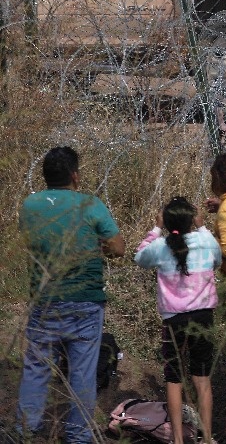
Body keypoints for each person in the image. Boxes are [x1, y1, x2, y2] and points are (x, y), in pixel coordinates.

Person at [17, 146, 126, 443]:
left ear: (45, 176)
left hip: (45, 301)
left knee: (37, 368)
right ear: (75, 176)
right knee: (82, 373)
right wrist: (96, 246)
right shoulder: (90, 204)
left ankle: (26, 429)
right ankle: (77, 436)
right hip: (85, 303)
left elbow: (31, 242)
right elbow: (118, 247)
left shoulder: (30, 205)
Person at [135, 197, 221, 444]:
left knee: (174, 379)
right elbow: (217, 260)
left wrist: (155, 229)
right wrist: (203, 227)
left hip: (173, 320)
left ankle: (178, 440)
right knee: (202, 378)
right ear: (192, 219)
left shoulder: (161, 246)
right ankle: (206, 438)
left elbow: (139, 257)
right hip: (203, 316)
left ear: (167, 220)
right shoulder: (205, 240)